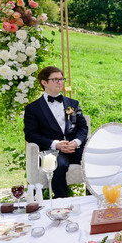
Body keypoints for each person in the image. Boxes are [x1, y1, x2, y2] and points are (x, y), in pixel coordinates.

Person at [23, 66, 89, 199]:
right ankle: (61, 202)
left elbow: (83, 127)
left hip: (75, 147)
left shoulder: (72, 103)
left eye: (61, 79)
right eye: (55, 79)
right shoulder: (33, 108)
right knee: (59, 166)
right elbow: (31, 135)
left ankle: (92, 198)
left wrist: (76, 142)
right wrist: (55, 144)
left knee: (92, 159)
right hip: (52, 150)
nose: (60, 82)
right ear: (44, 82)